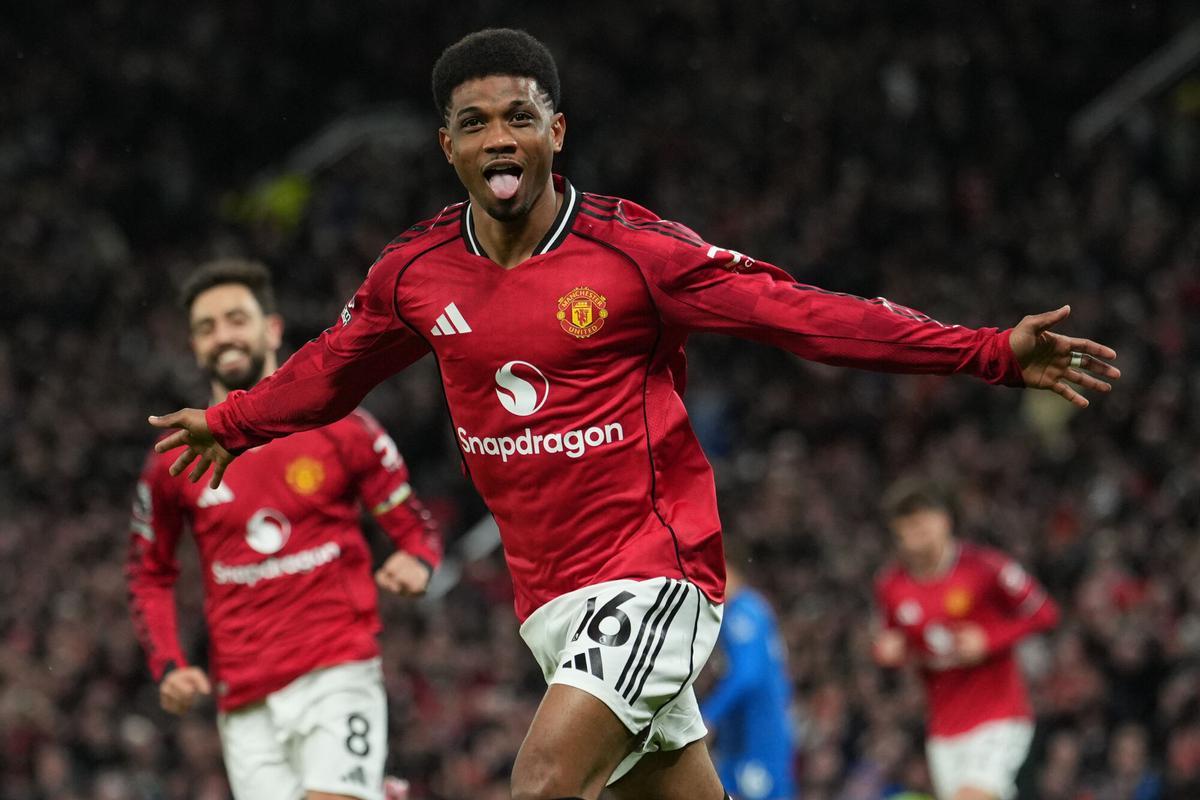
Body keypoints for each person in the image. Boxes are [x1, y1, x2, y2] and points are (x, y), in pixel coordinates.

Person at [145, 28, 1119, 800]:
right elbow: (328, 368)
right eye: (475, 122)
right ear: (447, 144)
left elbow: (803, 314)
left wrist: (987, 350)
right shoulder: (415, 274)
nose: (499, 139)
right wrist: (234, 422)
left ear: (555, 130)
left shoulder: (632, 253)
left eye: (518, 116)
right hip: (549, 600)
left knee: (541, 779)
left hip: (654, 573)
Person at [127, 259, 441, 800]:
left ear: (271, 328)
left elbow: (415, 528)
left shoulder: (345, 429)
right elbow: (148, 573)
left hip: (336, 670)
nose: (223, 336)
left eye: (235, 319)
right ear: (194, 346)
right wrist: (168, 665)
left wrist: (418, 560)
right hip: (244, 701)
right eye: (206, 327)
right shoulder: (173, 464)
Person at [872, 478, 1060, 800]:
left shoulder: (985, 567)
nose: (918, 532)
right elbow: (898, 641)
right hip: (944, 727)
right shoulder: (891, 585)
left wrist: (990, 638)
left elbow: (1045, 612)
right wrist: (889, 652)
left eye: (923, 520)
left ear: (945, 520)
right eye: (908, 525)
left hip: (998, 716)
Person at [700, 546, 795, 800]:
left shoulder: (743, 610)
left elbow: (748, 675)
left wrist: (708, 715)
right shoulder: (737, 612)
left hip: (758, 736)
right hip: (741, 735)